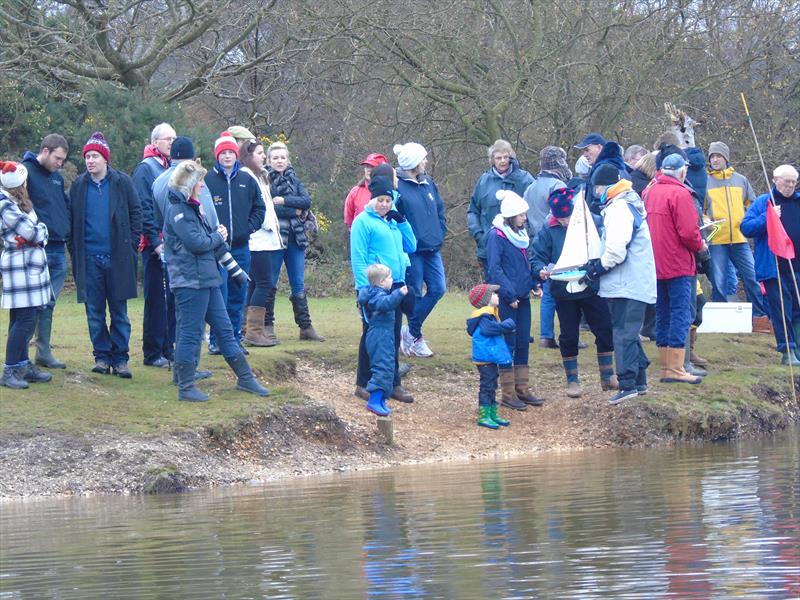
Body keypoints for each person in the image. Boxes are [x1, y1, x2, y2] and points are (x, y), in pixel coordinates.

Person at [163, 160, 269, 401]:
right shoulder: (179, 212)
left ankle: (246, 379)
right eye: (198, 181)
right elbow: (198, 243)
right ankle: (186, 387)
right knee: (190, 333)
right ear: (188, 185)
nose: (202, 184)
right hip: (190, 283)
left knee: (224, 331)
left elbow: (205, 243)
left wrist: (218, 244)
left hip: (206, 280)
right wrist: (217, 235)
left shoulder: (191, 208)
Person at [531, 187, 617, 398]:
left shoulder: (592, 223)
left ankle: (608, 377)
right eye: (561, 218)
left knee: (604, 329)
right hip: (563, 291)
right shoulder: (548, 230)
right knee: (569, 335)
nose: (565, 222)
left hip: (592, 287)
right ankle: (572, 380)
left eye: (568, 217)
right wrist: (541, 270)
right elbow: (536, 257)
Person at [68, 132, 141, 378]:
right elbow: (71, 222)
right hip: (89, 259)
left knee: (119, 312)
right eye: (87, 156)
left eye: (95, 156)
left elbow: (136, 213)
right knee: (94, 313)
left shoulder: (122, 182)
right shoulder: (78, 186)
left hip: (117, 257)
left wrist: (131, 245)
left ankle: (121, 359)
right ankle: (101, 356)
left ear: (105, 159)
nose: (90, 161)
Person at [583, 163, 656, 404]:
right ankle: (640, 380)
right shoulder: (627, 203)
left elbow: (615, 251)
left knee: (623, 332)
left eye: (596, 189)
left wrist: (596, 269)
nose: (594, 194)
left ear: (605, 187)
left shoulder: (619, 208)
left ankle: (627, 384)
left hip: (628, 282)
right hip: (633, 281)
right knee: (629, 331)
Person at [152, 136, 216, 383]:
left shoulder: (158, 181)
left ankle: (177, 364)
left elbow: (157, 216)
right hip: (195, 257)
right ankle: (188, 370)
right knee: (193, 319)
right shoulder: (193, 178)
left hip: (171, 254)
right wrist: (217, 239)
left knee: (177, 313)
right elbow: (207, 215)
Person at [350, 174, 417, 404]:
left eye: (388, 200)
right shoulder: (363, 222)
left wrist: (403, 222)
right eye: (380, 200)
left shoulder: (392, 221)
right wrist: (363, 290)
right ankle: (363, 383)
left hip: (395, 283)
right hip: (375, 286)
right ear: (372, 198)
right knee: (372, 335)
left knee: (394, 334)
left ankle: (393, 382)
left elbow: (412, 245)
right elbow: (358, 258)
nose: (384, 204)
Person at [643, 153, 705, 384]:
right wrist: (701, 245)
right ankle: (676, 368)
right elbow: (689, 233)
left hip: (654, 263)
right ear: (682, 171)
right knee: (681, 312)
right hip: (678, 263)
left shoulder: (649, 191)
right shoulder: (680, 193)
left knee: (663, 311)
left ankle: (667, 365)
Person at [204, 131, 265, 352]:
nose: (227, 156)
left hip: (240, 248)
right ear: (217, 155)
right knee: (219, 295)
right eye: (223, 153)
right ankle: (215, 341)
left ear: (236, 154)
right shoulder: (207, 181)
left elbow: (260, 209)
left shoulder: (247, 180)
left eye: (231, 152)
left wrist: (246, 229)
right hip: (215, 251)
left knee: (238, 296)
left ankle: (234, 340)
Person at [486, 190, 543, 410]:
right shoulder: (496, 236)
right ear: (511, 215)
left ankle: (522, 388)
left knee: (522, 342)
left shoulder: (520, 236)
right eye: (521, 215)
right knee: (508, 343)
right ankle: (508, 393)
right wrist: (508, 295)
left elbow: (523, 267)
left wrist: (534, 284)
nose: (525, 218)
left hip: (522, 297)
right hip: (507, 299)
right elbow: (495, 269)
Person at [704, 140, 768, 330]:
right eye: (712, 156)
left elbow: (754, 205)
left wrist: (748, 222)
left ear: (726, 158)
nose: (715, 160)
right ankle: (720, 322)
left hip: (740, 239)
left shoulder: (741, 180)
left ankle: (759, 318)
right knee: (719, 281)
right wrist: (706, 220)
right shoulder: (705, 181)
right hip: (717, 239)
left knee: (752, 277)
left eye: (718, 156)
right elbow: (701, 209)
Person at [0, 161, 54, 389]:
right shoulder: (5, 205)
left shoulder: (15, 203)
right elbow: (33, 231)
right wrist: (40, 233)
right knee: (25, 320)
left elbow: (34, 231)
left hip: (26, 266)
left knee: (21, 317)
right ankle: (10, 369)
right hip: (20, 267)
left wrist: (37, 233)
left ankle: (22, 364)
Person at [741, 164, 800, 365]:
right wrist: (769, 217)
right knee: (781, 309)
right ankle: (788, 351)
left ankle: (798, 347)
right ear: (775, 180)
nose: (790, 185)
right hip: (774, 266)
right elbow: (746, 228)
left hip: (797, 266)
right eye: (786, 181)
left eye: (793, 182)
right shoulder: (764, 202)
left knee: (797, 308)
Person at [266, 141, 325, 342]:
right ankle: (267, 326)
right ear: (268, 160)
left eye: (282, 157)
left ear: (288, 159)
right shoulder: (264, 181)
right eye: (275, 157)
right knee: (270, 283)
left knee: (298, 283)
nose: (279, 161)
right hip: (273, 239)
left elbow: (306, 202)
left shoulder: (295, 180)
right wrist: (294, 209)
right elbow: (269, 208)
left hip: (296, 239)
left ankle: (306, 328)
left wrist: (283, 201)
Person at [394, 142, 447, 358]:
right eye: (423, 158)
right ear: (414, 163)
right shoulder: (398, 186)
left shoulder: (428, 182)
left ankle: (411, 332)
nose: (426, 161)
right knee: (413, 294)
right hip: (412, 250)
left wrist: (441, 231)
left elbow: (440, 210)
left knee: (438, 288)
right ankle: (415, 336)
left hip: (432, 247)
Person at [21, 134, 69, 369]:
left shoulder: (57, 179)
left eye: (63, 160)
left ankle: (43, 351)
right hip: (37, 248)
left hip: (59, 247)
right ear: (46, 151)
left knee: (49, 302)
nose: (60, 163)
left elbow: (62, 206)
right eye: (58, 158)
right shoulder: (25, 172)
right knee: (32, 304)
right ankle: (21, 356)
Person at [133, 122, 176, 368]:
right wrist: (156, 242)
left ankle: (168, 347)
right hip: (153, 245)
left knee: (172, 297)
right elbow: (143, 208)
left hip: (173, 241)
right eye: (167, 139)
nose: (171, 142)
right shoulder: (145, 169)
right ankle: (152, 352)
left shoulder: (171, 167)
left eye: (174, 138)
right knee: (156, 299)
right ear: (155, 142)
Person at [523, 146, 573, 349]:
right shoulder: (558, 185)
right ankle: (567, 334)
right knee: (562, 289)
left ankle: (546, 335)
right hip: (555, 239)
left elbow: (525, 218)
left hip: (535, 242)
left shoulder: (530, 187)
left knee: (547, 290)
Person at [467, 139, 534, 277]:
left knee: (518, 290)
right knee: (493, 289)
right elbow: (473, 211)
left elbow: (533, 210)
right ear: (492, 160)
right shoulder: (484, 181)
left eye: (505, 157)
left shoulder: (524, 179)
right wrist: (479, 235)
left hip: (517, 246)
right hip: (489, 245)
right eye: (498, 158)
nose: (502, 161)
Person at [239, 139, 283, 347]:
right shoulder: (248, 177)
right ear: (249, 156)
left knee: (256, 283)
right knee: (264, 283)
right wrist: (262, 226)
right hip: (258, 240)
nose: (263, 156)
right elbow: (255, 209)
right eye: (259, 153)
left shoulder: (259, 176)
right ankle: (254, 331)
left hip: (265, 239)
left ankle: (249, 329)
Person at [357, 264, 409, 416]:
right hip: (380, 336)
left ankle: (380, 400)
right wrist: (399, 293)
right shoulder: (377, 296)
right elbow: (386, 304)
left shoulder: (373, 293)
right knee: (383, 367)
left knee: (387, 366)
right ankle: (374, 401)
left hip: (383, 334)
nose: (392, 280)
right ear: (381, 282)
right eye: (389, 277)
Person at [466, 283, 515, 429]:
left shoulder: (490, 315)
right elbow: (489, 330)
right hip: (485, 358)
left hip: (490, 357)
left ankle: (492, 413)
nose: (497, 295)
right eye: (494, 294)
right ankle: (484, 416)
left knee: (492, 384)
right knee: (487, 386)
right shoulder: (484, 316)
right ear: (486, 299)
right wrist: (507, 325)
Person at [576, 133, 630, 211]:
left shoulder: (606, 170)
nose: (585, 154)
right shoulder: (617, 166)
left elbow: (599, 203)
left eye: (587, 150)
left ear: (599, 147)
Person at [344, 153, 388, 230]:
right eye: (367, 166)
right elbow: (349, 221)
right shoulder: (355, 192)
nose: (369, 170)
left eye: (373, 167)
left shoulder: (391, 193)